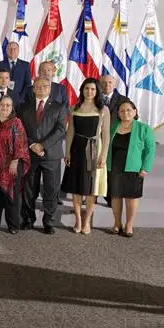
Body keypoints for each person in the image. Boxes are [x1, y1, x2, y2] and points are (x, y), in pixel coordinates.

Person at [61, 78, 110, 235]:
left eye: (93, 89)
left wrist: (103, 155)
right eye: (87, 88)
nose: (89, 91)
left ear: (97, 91)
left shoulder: (103, 110)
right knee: (76, 187)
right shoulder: (74, 108)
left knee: (91, 189)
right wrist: (67, 152)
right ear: (82, 90)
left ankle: (87, 220)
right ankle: (78, 219)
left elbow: (106, 136)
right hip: (77, 150)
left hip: (95, 150)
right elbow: (70, 132)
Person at [19, 78, 67, 234]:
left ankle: (48, 222)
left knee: (51, 189)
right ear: (33, 89)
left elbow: (60, 130)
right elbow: (20, 130)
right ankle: (28, 219)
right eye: (38, 86)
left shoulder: (59, 107)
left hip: (51, 155)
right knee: (29, 190)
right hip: (30, 154)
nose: (41, 89)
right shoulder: (24, 107)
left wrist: (43, 145)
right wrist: (32, 144)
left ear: (50, 88)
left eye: (45, 86)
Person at [107, 99, 155, 238]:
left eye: (128, 110)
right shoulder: (112, 126)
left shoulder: (144, 128)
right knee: (115, 196)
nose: (125, 113)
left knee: (131, 197)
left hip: (134, 168)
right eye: (122, 110)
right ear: (118, 113)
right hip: (114, 166)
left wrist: (145, 168)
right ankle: (117, 223)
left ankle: (129, 224)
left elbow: (150, 150)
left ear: (135, 112)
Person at [0, 96, 30, 233]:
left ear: (12, 107)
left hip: (12, 165)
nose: (5, 107)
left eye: (8, 105)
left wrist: (15, 161)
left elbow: (21, 143)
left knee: (11, 196)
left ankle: (13, 225)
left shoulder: (16, 123)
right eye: (2, 105)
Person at [0, 41, 31, 107]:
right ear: (6, 51)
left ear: (18, 51)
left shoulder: (25, 65)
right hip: (2, 100)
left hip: (19, 101)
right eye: (10, 49)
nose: (12, 51)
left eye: (14, 49)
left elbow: (28, 84)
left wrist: (20, 98)